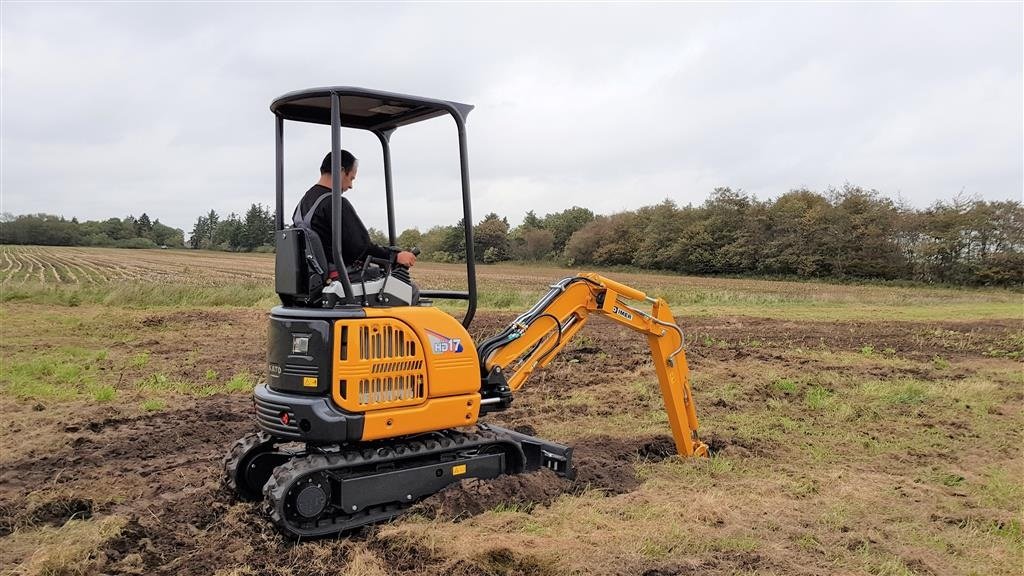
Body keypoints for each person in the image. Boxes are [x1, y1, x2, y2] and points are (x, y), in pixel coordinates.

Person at [294, 150, 416, 280]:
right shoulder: (334, 203)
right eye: (351, 178)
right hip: (340, 279)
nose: (351, 186)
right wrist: (395, 256)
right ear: (340, 171)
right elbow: (361, 249)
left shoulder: (303, 204)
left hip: (312, 279)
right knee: (408, 290)